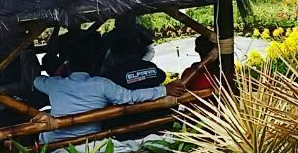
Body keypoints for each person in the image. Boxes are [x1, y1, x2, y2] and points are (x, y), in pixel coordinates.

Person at [33, 42, 185, 145]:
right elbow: (131, 97)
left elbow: (36, 81)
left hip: (55, 143)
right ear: (94, 65)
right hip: (90, 142)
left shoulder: (54, 84)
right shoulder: (102, 83)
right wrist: (164, 90)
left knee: (43, 116)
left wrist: (59, 76)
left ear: (68, 64)